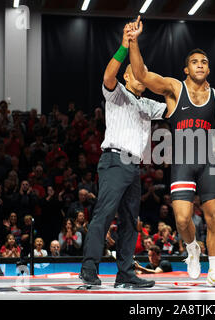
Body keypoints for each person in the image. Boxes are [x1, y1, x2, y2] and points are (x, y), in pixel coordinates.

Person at [128, 16, 215, 287]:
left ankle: (214, 271)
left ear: (209, 69)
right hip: (181, 159)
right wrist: (133, 42)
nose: (200, 65)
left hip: (209, 161)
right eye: (195, 62)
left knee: (214, 216)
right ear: (186, 69)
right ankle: (193, 249)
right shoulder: (174, 88)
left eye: (204, 62)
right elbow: (142, 75)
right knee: (181, 219)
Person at [79, 21, 167, 289]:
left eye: (146, 73)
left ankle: (125, 274)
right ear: (128, 77)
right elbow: (108, 76)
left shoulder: (149, 104)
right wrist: (124, 45)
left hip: (133, 166)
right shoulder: (117, 93)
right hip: (115, 160)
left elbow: (173, 109)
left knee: (130, 221)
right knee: (104, 216)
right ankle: (88, 271)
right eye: (138, 71)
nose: (143, 75)